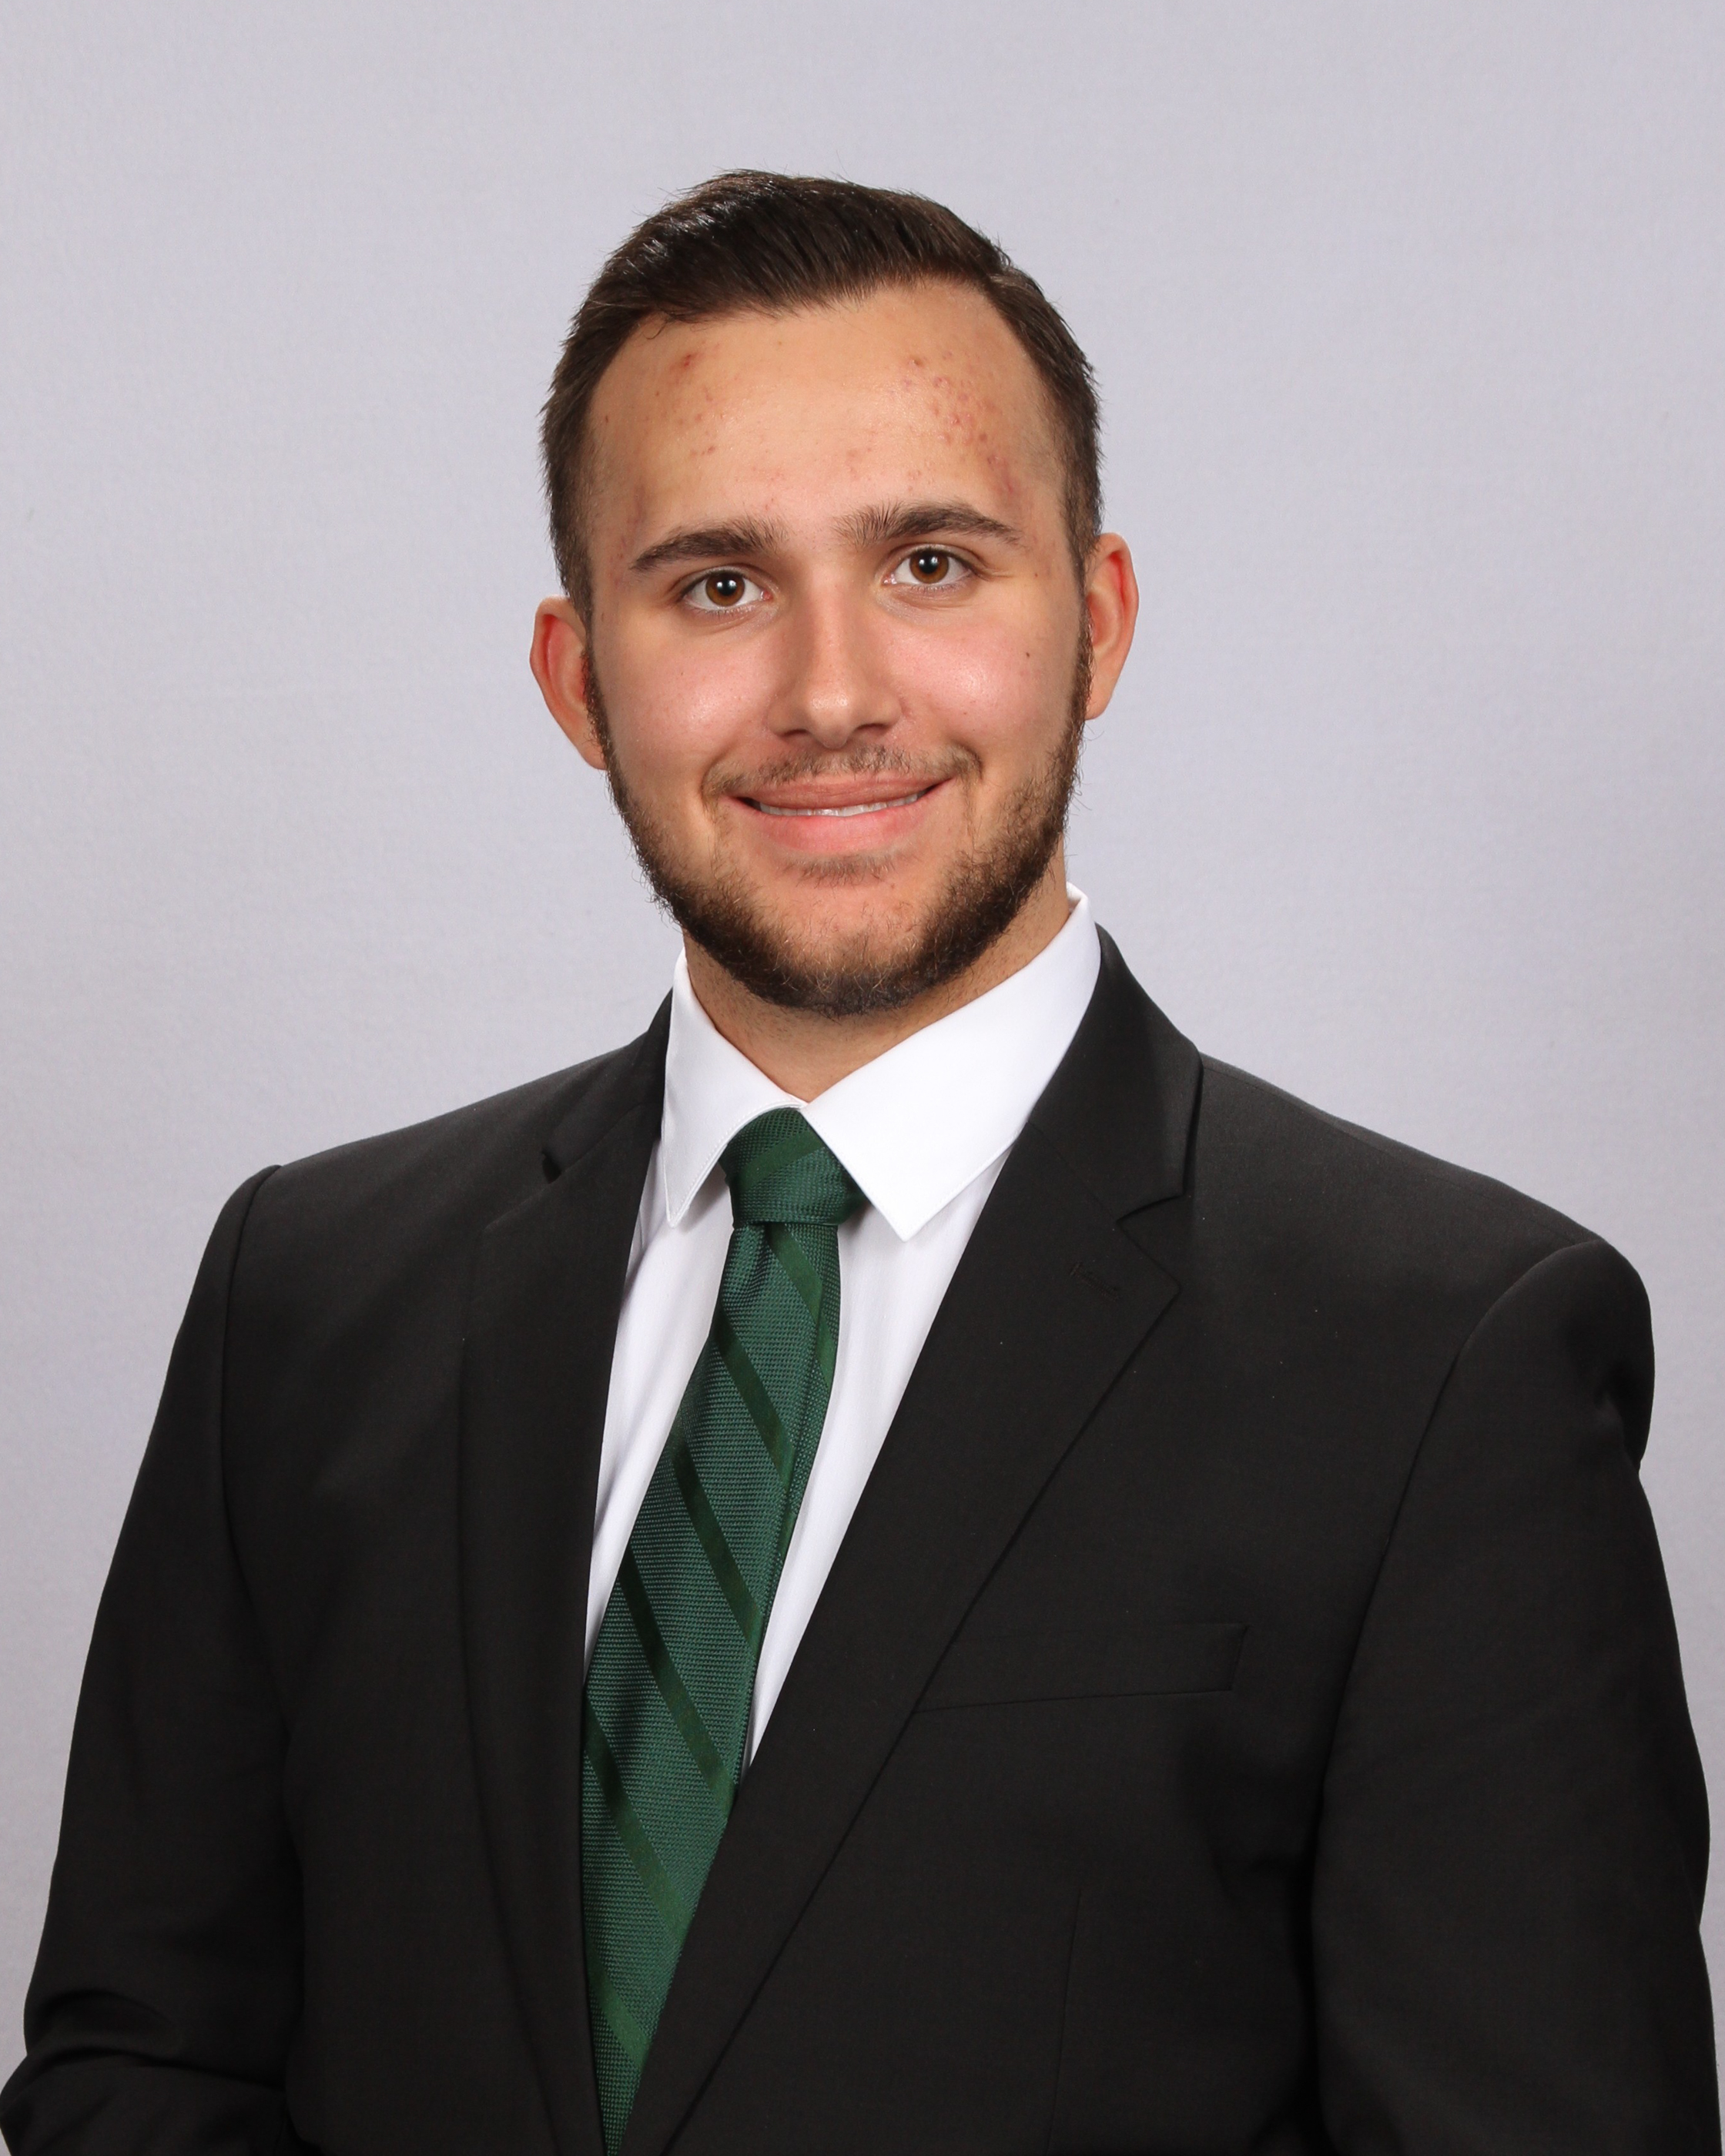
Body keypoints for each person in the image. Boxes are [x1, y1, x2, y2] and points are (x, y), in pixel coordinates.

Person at [2, 169, 1716, 2156]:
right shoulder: (310, 1297)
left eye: (931, 563)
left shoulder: (1441, 1364)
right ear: (576, 677)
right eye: (717, 585)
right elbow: (144, 2068)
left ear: (1099, 622)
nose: (831, 696)